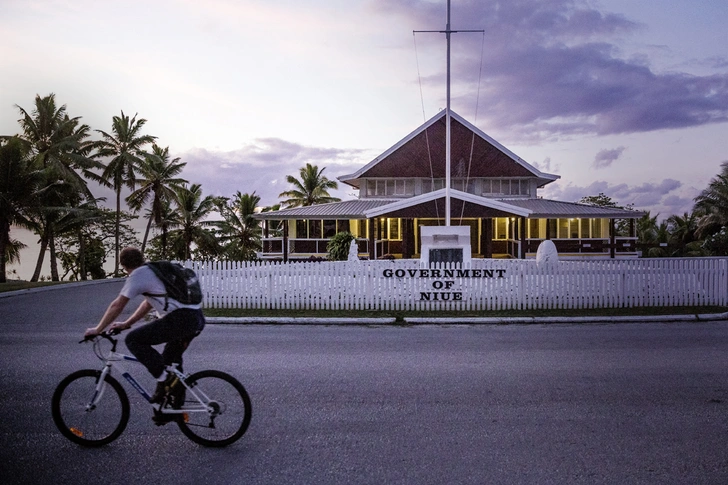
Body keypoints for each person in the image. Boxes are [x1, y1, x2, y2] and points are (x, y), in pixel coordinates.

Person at [84, 247, 205, 404]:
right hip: (195, 318)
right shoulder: (152, 271)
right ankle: (173, 407)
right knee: (170, 361)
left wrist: (97, 329)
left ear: (124, 265)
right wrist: (126, 323)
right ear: (141, 258)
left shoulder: (138, 274)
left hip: (181, 319)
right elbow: (148, 303)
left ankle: (165, 380)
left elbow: (117, 305)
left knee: (134, 340)